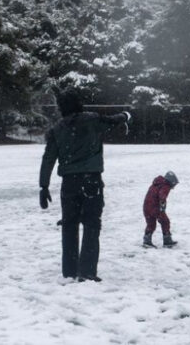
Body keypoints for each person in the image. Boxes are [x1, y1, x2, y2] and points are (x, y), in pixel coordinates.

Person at [39, 88, 131, 282]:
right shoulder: (92, 120)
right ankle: (87, 270)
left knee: (69, 225)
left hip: (69, 183)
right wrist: (125, 115)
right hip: (91, 180)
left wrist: (43, 186)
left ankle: (70, 270)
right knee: (91, 224)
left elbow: (48, 159)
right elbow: (113, 120)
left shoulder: (57, 129)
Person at [142, 171, 179, 248]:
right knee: (165, 221)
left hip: (146, 206)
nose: (173, 187)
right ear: (171, 181)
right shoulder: (165, 186)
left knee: (151, 224)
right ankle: (167, 240)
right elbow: (162, 195)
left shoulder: (156, 184)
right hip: (155, 207)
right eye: (174, 184)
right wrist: (162, 205)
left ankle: (147, 240)